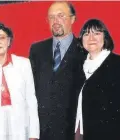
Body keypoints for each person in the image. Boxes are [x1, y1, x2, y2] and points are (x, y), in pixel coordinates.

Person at [28, 2, 86, 140]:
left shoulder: (85, 50)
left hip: (72, 131)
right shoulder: (37, 50)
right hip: (41, 131)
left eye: (61, 16)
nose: (56, 21)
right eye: (51, 17)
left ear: (72, 19)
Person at [0, 22, 39, 140]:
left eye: (1, 38)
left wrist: (34, 134)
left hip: (19, 125)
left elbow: (31, 100)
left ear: (8, 41)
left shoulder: (24, 64)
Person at [75, 19, 120, 140]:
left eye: (97, 33)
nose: (91, 38)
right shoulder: (77, 67)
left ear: (105, 38)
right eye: (86, 34)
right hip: (80, 133)